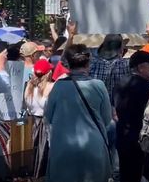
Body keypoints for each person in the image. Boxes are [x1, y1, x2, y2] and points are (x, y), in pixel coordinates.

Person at [45, 44, 112, 182]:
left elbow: (48, 116)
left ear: (67, 64)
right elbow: (106, 119)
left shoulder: (58, 86)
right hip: (93, 147)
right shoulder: (99, 85)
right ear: (89, 62)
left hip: (63, 148)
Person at [114, 51, 149, 182]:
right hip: (143, 139)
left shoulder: (119, 84)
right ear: (141, 67)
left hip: (123, 136)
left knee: (127, 176)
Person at [24, 59, 54, 179]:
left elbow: (24, 108)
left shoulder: (28, 86)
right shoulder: (52, 86)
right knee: (43, 157)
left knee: (30, 156)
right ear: (48, 73)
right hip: (45, 125)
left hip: (30, 124)